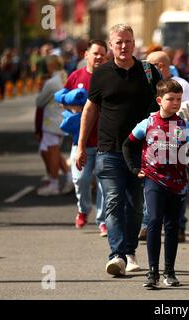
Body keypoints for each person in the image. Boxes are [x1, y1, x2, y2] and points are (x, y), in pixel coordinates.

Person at [75, 24, 161, 277]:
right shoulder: (101, 74)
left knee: (135, 207)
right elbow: (90, 110)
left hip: (141, 152)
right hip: (108, 150)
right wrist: (81, 145)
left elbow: (163, 107)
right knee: (113, 202)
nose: (123, 46)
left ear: (134, 44)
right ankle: (117, 255)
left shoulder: (148, 72)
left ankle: (130, 250)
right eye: (118, 42)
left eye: (128, 41)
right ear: (111, 46)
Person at [122, 78, 189, 288]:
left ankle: (169, 271)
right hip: (153, 179)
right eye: (170, 99)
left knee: (172, 227)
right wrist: (134, 169)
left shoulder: (185, 126)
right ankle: (152, 273)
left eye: (178, 99)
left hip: (178, 183)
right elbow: (127, 144)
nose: (176, 102)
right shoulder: (148, 123)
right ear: (160, 100)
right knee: (154, 221)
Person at [141, 50, 189, 243]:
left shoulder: (180, 84)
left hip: (176, 144)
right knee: (149, 185)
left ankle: (179, 226)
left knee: (177, 185)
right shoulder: (144, 84)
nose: (154, 69)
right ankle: (147, 224)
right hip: (150, 143)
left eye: (158, 65)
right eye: (149, 65)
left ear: (165, 65)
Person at [61, 39, 108, 236]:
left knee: (104, 183)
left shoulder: (109, 77)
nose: (99, 57)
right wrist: (71, 106)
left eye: (102, 54)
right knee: (80, 179)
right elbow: (63, 99)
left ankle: (103, 220)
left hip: (104, 141)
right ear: (86, 55)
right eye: (95, 53)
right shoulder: (76, 76)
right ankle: (83, 209)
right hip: (80, 141)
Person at [35, 55, 73, 196]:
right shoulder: (64, 78)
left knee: (52, 152)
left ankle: (54, 184)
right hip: (61, 120)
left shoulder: (51, 82)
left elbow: (39, 102)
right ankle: (68, 177)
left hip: (52, 122)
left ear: (51, 66)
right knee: (47, 150)